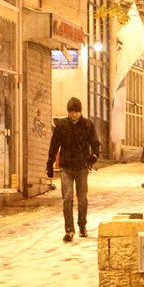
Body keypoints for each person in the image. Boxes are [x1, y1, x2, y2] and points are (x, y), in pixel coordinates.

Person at [45, 97, 100, 242]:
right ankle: (69, 229)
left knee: (82, 198)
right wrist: (49, 164)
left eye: (76, 112)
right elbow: (54, 145)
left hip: (82, 166)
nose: (73, 115)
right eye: (71, 112)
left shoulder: (88, 124)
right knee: (67, 198)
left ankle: (82, 225)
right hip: (66, 167)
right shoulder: (62, 125)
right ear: (68, 112)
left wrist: (94, 156)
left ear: (80, 112)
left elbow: (95, 143)